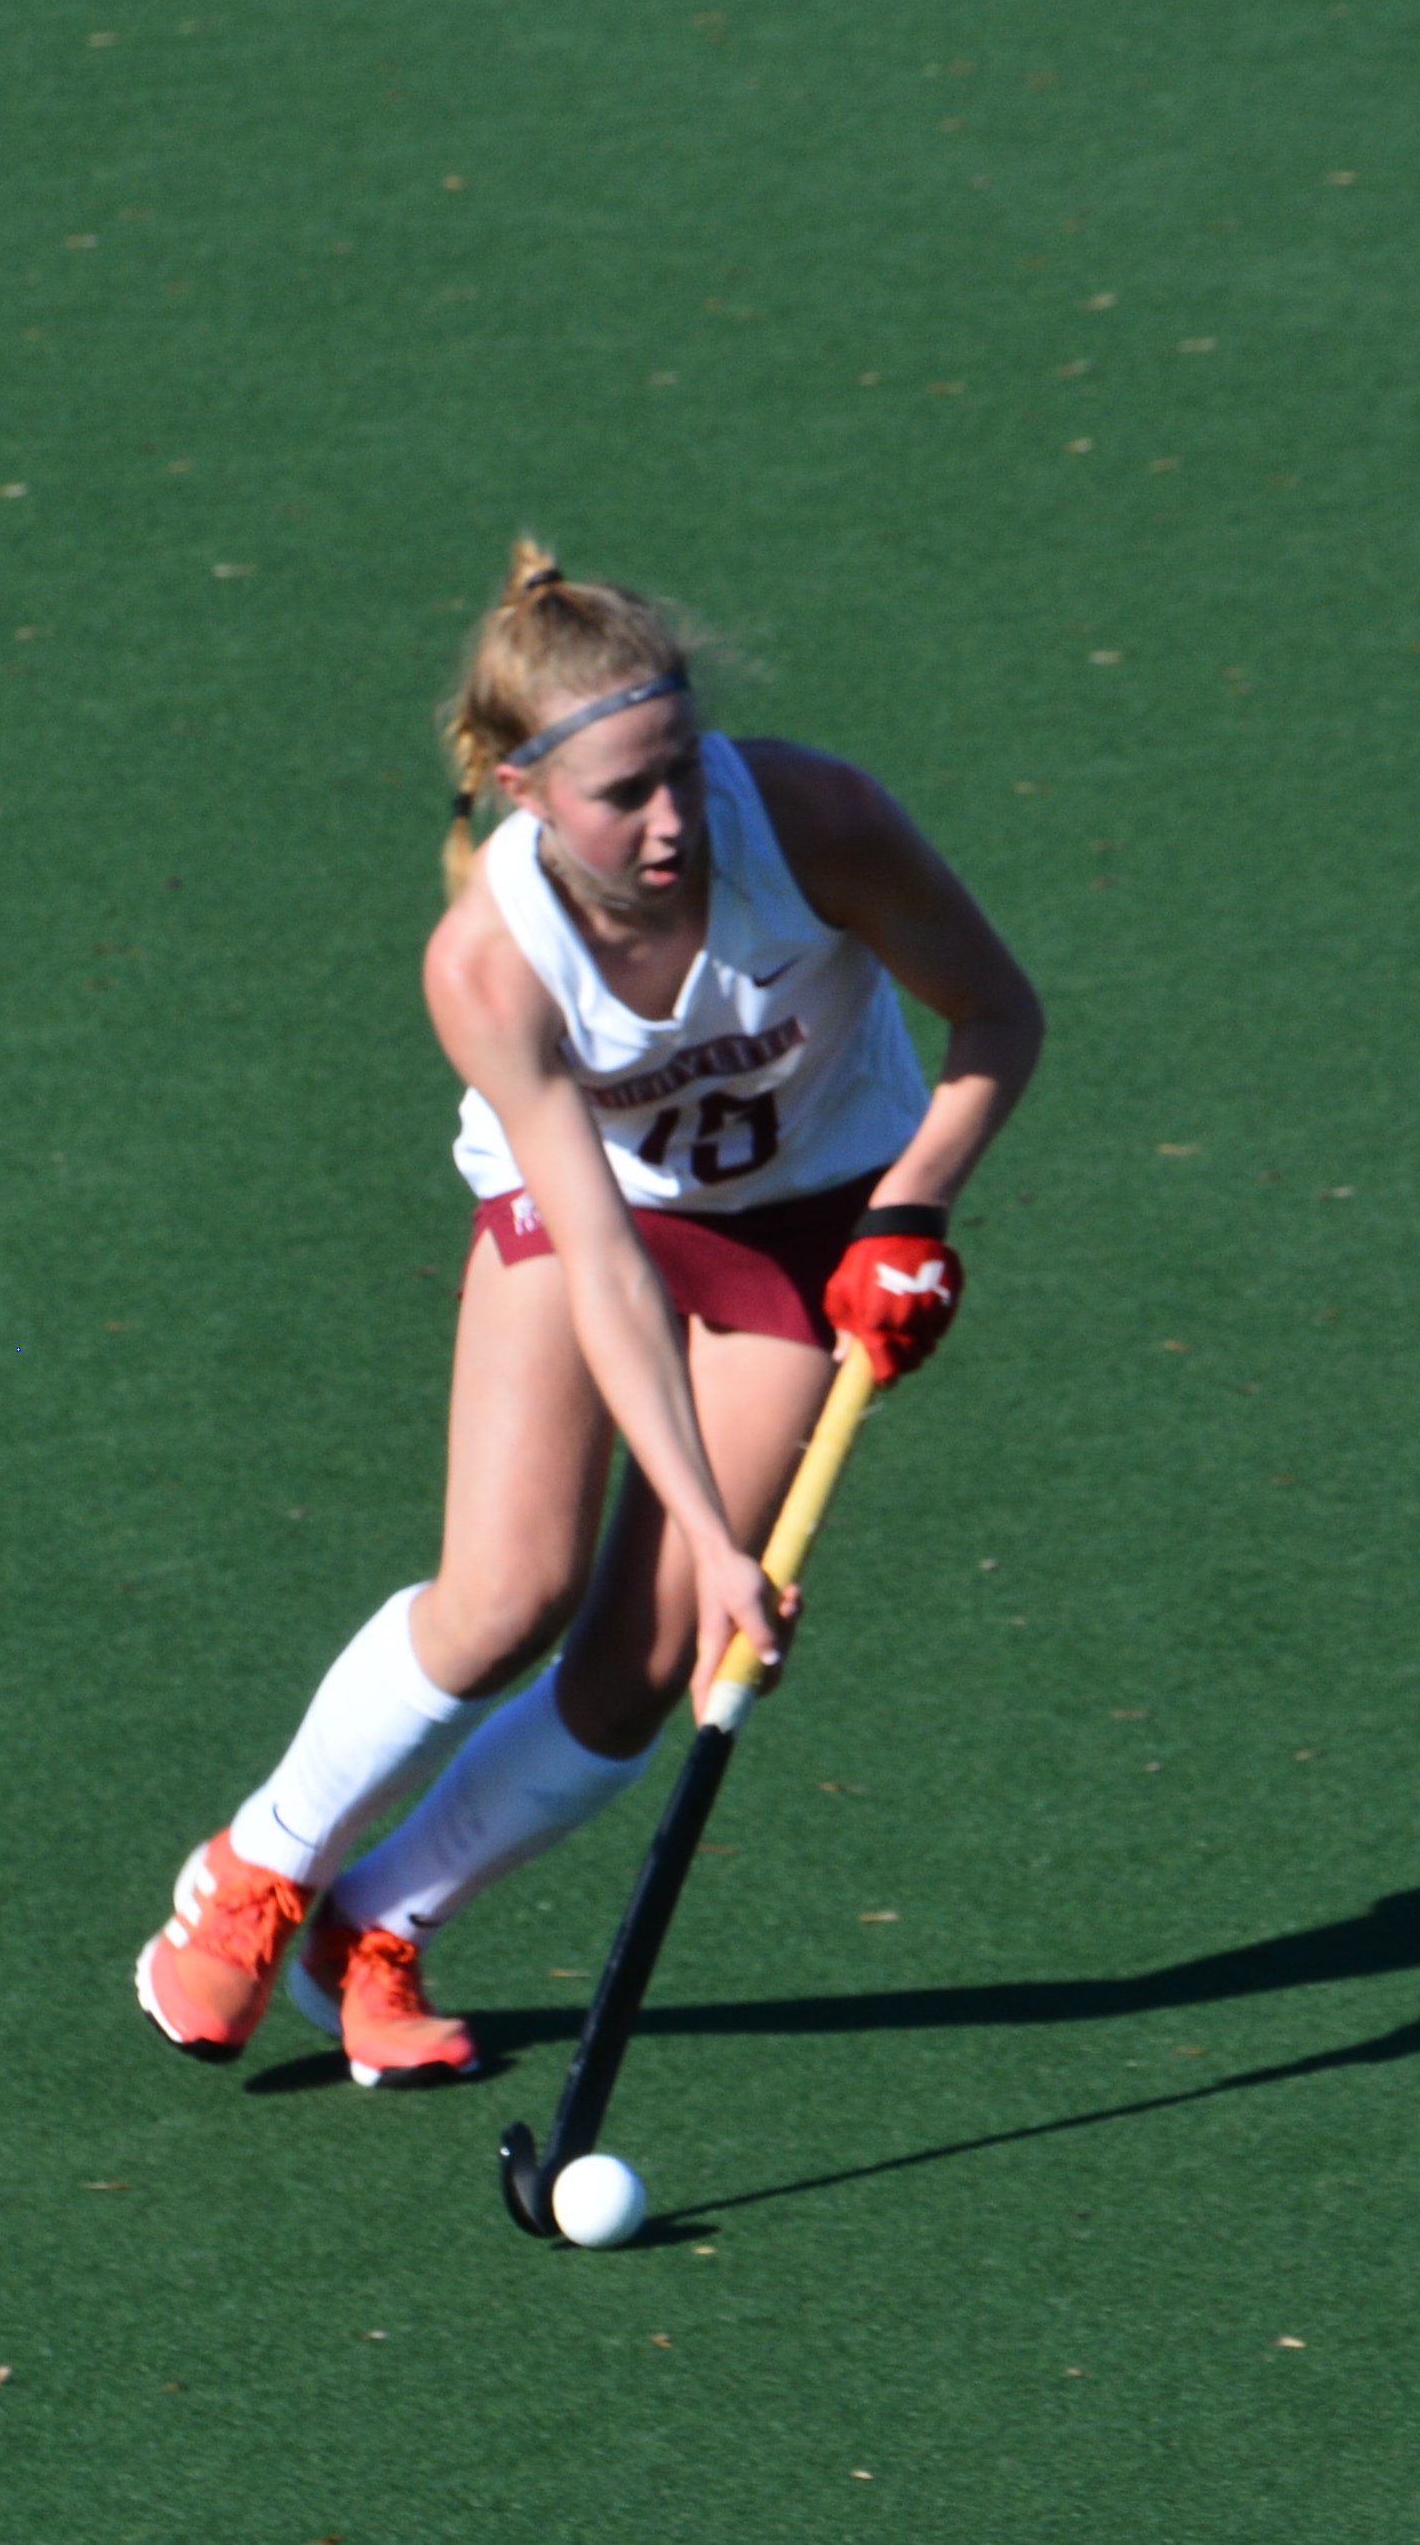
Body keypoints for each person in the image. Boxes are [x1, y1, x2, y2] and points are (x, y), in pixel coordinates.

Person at [138, 545, 1043, 2076]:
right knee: (508, 1595)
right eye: (626, 794)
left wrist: (913, 1208)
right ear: (523, 791)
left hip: (812, 1219)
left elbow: (998, 1014)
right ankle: (260, 1866)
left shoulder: (817, 823)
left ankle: (379, 1924)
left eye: (683, 767)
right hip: (593, 1220)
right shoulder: (489, 966)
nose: (674, 818)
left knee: (644, 1666)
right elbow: (611, 1266)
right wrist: (710, 1528)